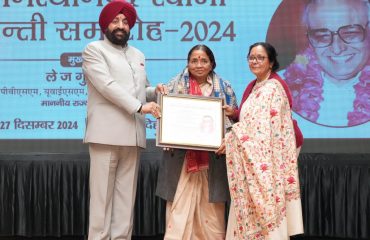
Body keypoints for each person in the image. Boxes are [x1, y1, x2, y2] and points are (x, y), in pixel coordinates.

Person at [81, 1, 166, 239]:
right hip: (106, 134)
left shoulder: (138, 54)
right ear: (105, 25)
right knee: (101, 201)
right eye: (115, 21)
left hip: (134, 134)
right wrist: (140, 106)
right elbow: (107, 86)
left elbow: (142, 89)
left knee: (126, 200)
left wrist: (155, 92)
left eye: (125, 22)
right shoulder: (93, 50)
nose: (121, 26)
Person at [156, 44, 238, 240]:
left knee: (211, 209)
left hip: (214, 158)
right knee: (179, 207)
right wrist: (166, 134)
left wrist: (226, 137)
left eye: (204, 60)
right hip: (181, 158)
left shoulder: (224, 87)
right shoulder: (174, 85)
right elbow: (164, 117)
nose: (199, 65)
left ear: (212, 64)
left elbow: (235, 120)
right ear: (188, 63)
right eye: (194, 61)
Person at [225, 42, 304, 240]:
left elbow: (263, 129)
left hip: (267, 159)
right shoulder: (254, 86)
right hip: (251, 157)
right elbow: (251, 120)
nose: (255, 61)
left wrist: (230, 139)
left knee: (267, 203)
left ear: (271, 62)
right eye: (251, 57)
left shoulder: (273, 88)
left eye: (260, 58)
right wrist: (234, 113)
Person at [283, 0, 370, 127]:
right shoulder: (280, 86)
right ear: (310, 38)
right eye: (322, 36)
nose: (337, 49)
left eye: (350, 33)